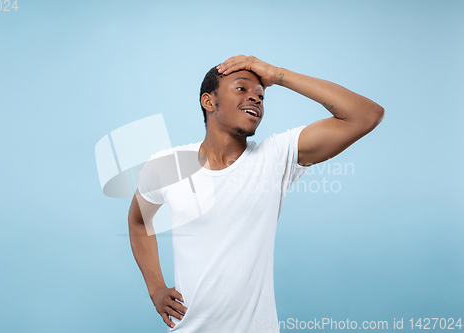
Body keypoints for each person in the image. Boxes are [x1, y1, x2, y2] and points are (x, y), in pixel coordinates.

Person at [128, 55, 384, 332]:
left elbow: (365, 115)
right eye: (242, 88)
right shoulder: (167, 166)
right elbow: (139, 221)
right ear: (209, 102)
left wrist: (277, 74)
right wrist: (156, 289)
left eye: (261, 95)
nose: (256, 98)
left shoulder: (276, 157)